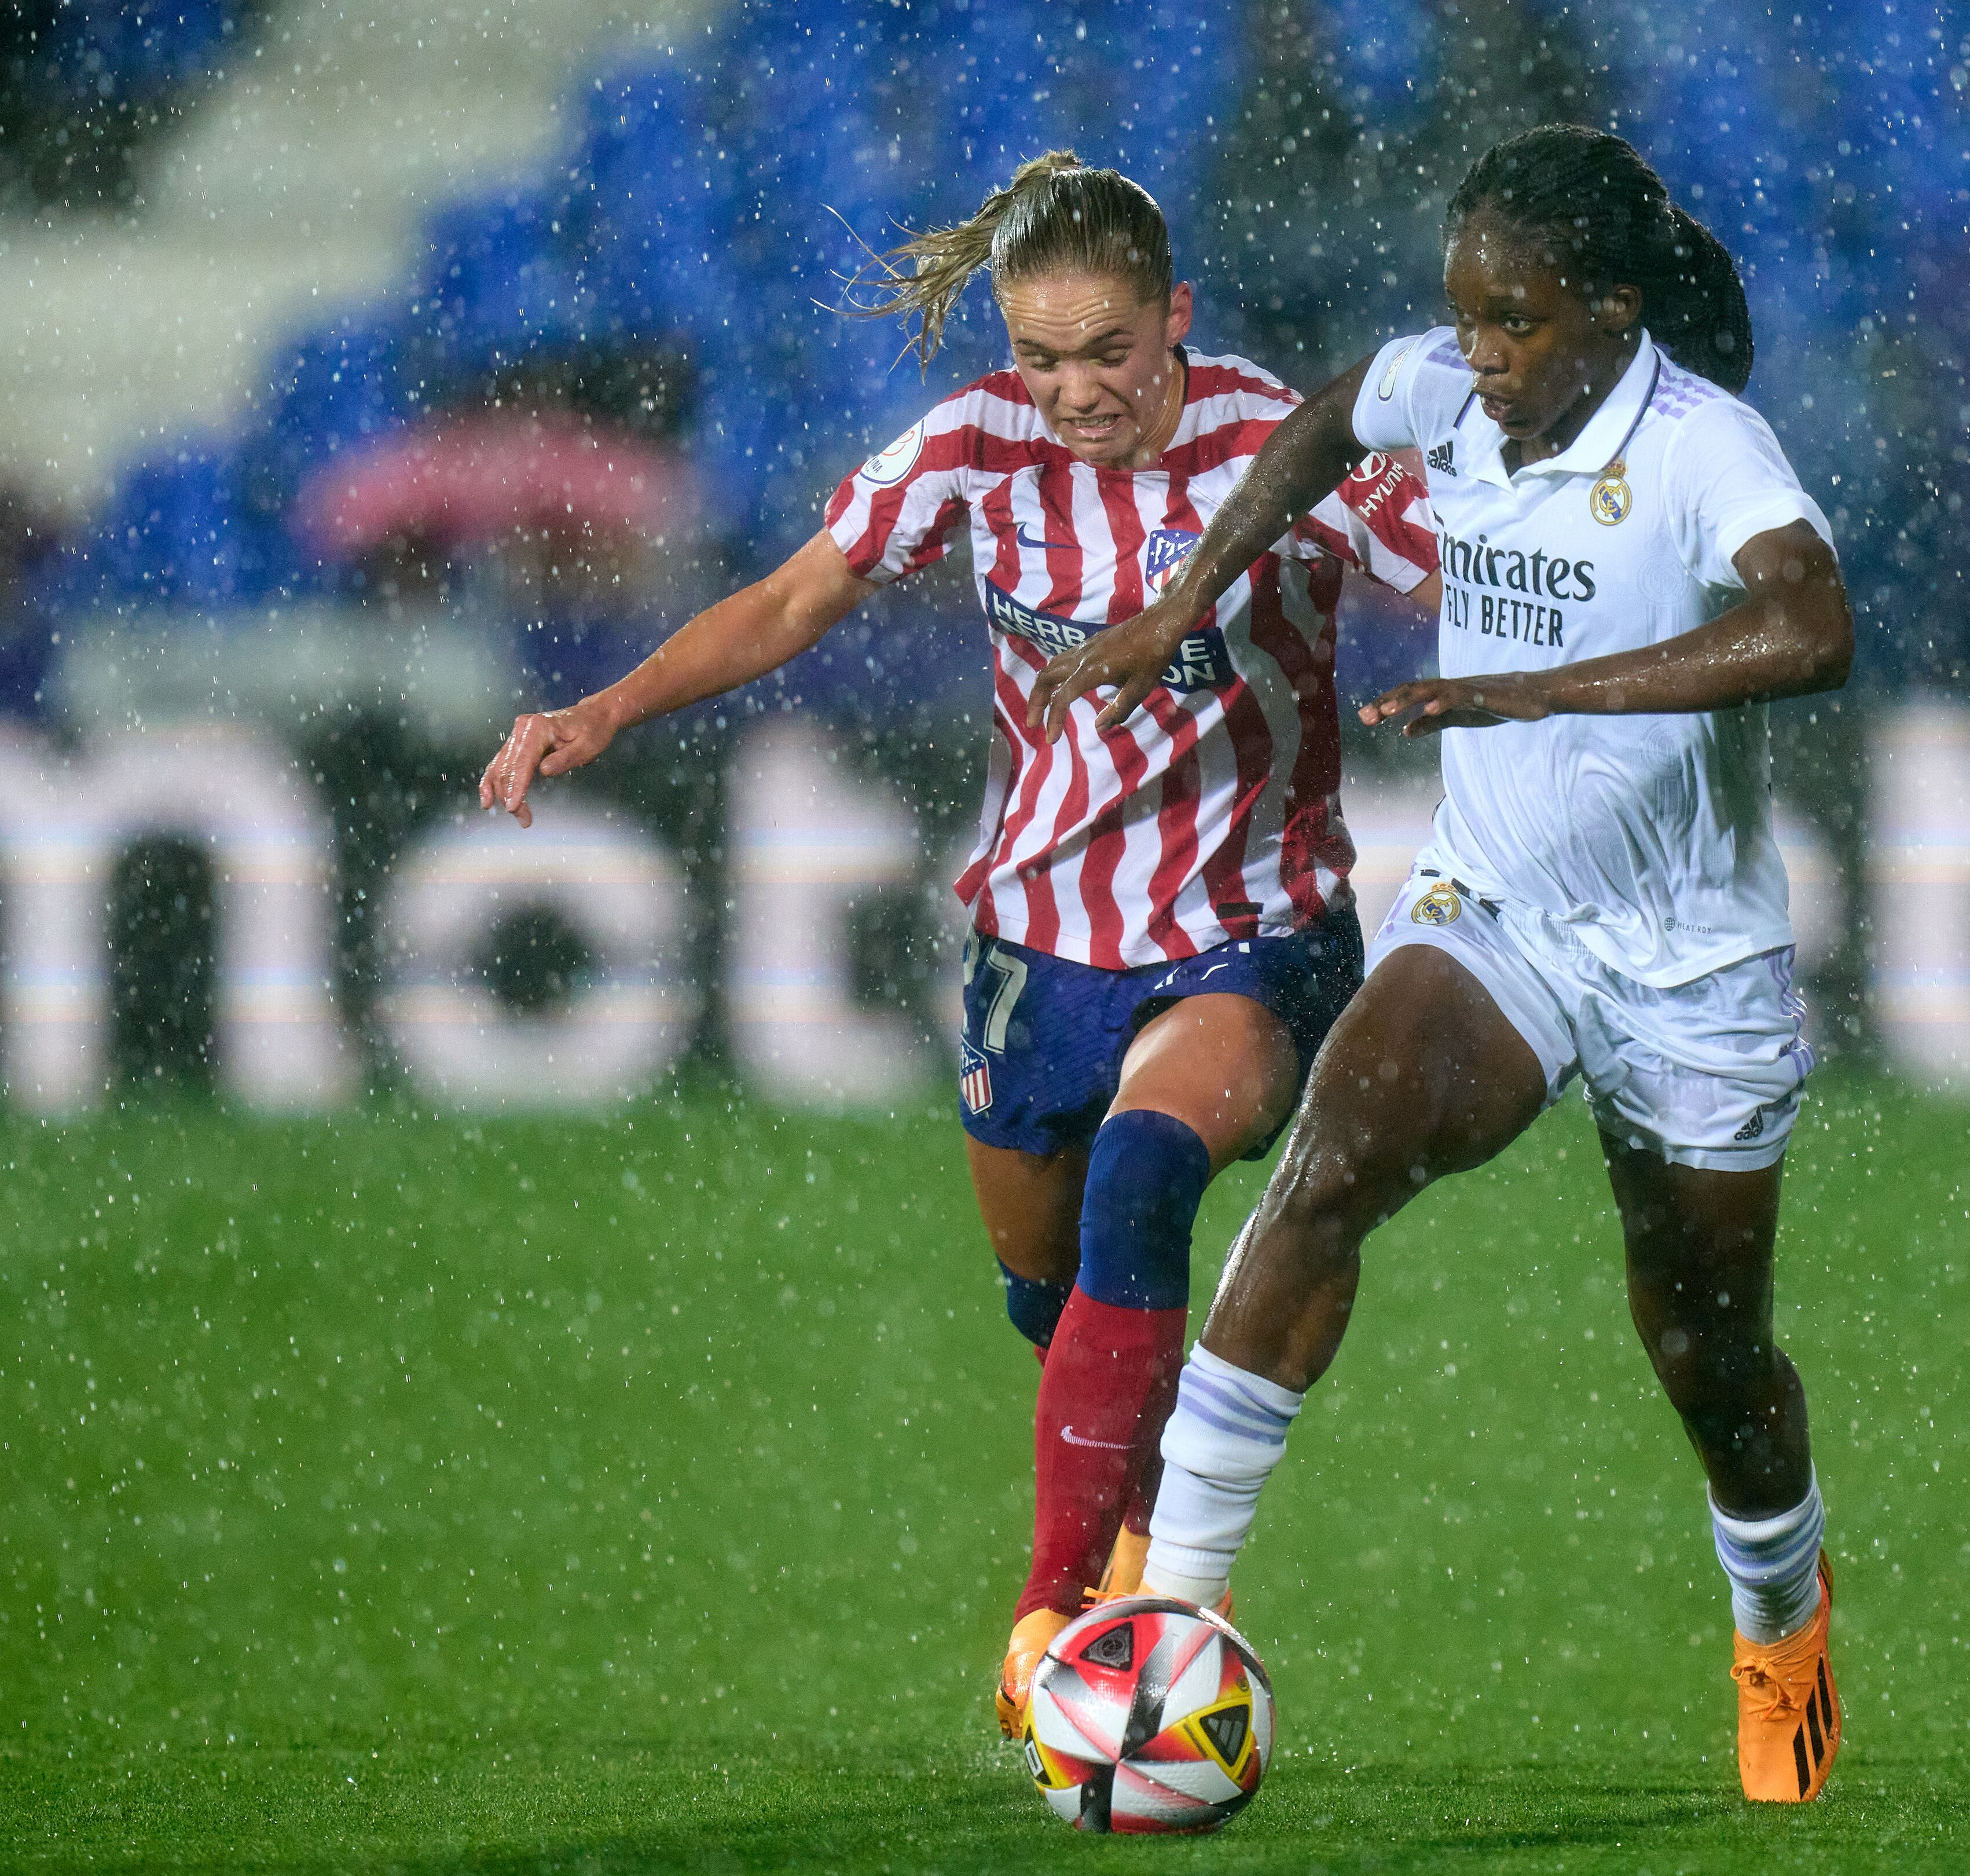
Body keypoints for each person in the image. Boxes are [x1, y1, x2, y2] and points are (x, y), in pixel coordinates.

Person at [475, 152, 1440, 1736]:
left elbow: (1477, 564)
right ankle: (1132, 1529)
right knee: (1048, 1297)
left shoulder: (1281, 442)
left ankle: (1076, 1602)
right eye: (1042, 358)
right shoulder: (975, 450)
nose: (1074, 393)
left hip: (1249, 928)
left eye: (1109, 354)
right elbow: (795, 600)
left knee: (1146, 1178)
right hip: (1037, 937)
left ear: (1175, 319)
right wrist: (604, 707)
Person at [1028, 123, 1857, 1804]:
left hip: (1688, 965)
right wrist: (1196, 591)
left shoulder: (1707, 449)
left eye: (1517, 325)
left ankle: (1782, 1631)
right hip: (1500, 914)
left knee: (1709, 1356)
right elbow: (1339, 411)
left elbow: (1813, 628)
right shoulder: (1453, 391)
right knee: (1331, 1163)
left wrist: (1545, 687)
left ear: (1613, 314)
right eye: (1466, 318)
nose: (1478, 359)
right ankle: (1166, 1617)